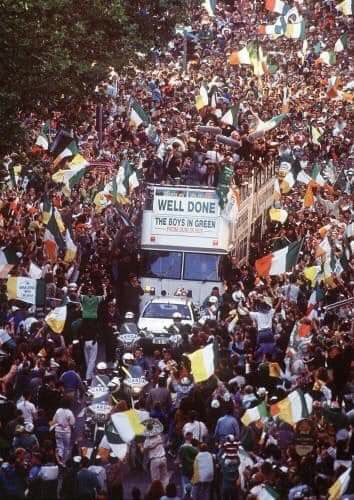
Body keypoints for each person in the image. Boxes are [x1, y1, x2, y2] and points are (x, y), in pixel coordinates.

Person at [78, 283, 107, 382]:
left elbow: (78, 295)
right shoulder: (96, 299)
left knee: (88, 360)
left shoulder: (85, 298)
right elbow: (105, 296)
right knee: (91, 361)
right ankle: (88, 378)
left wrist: (81, 286)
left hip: (86, 341)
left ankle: (90, 375)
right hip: (93, 341)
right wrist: (104, 287)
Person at [143, 419, 168, 489]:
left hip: (154, 460)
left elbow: (144, 450)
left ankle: (157, 494)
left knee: (155, 481)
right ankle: (165, 492)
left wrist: (140, 447)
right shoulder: (159, 437)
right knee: (164, 478)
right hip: (163, 458)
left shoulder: (147, 440)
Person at [51, 396, 75, 465]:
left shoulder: (58, 410)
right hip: (66, 432)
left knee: (59, 446)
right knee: (66, 447)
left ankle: (59, 460)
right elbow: (72, 422)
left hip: (58, 430)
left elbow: (54, 420)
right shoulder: (69, 412)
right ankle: (64, 462)